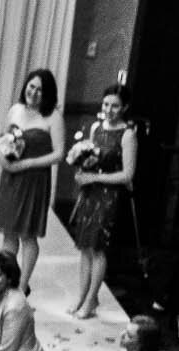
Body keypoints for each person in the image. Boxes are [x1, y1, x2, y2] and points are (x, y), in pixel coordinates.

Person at [66, 85, 138, 319]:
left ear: (124, 107)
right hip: (90, 193)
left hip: (108, 196)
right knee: (84, 247)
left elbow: (127, 174)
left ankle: (91, 299)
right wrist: (81, 170)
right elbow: (88, 157)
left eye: (115, 105)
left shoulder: (128, 134)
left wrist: (94, 177)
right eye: (106, 104)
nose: (109, 110)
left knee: (97, 248)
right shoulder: (96, 127)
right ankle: (83, 295)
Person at [0, 68, 65, 288]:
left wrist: (29, 163)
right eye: (31, 87)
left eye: (39, 90)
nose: (33, 93)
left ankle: (23, 285)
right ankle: (8, 279)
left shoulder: (53, 116)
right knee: (9, 233)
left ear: (48, 93)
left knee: (27, 234)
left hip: (34, 180)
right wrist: (1, 157)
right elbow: (4, 139)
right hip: (12, 178)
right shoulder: (15, 110)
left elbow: (59, 153)